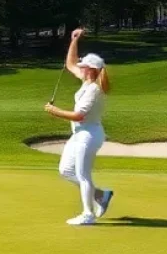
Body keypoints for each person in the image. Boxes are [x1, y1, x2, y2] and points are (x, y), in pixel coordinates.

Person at [44, 28, 114, 226]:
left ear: (91, 69)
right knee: (66, 170)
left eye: (84, 66)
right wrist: (74, 40)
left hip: (90, 134)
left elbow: (79, 115)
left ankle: (88, 214)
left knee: (83, 175)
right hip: (79, 134)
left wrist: (54, 111)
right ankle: (101, 195)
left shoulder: (94, 90)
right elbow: (70, 64)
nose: (80, 68)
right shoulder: (86, 80)